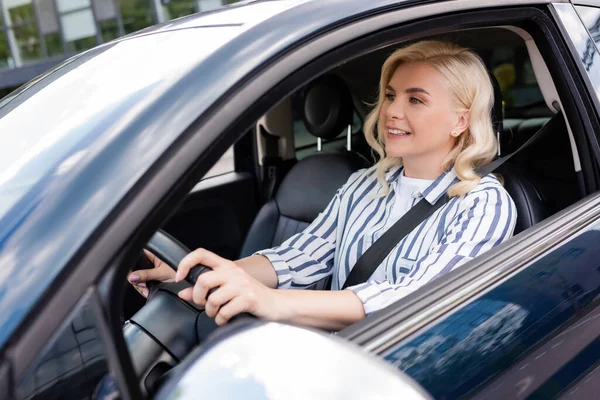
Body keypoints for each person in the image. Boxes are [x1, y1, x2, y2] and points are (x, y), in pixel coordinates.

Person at [128, 40, 517, 331]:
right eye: (390, 95)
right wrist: (208, 275)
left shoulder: (482, 203)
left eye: (416, 100)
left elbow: (417, 298)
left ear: (460, 121)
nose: (392, 111)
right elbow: (299, 257)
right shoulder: (365, 185)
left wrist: (272, 302)